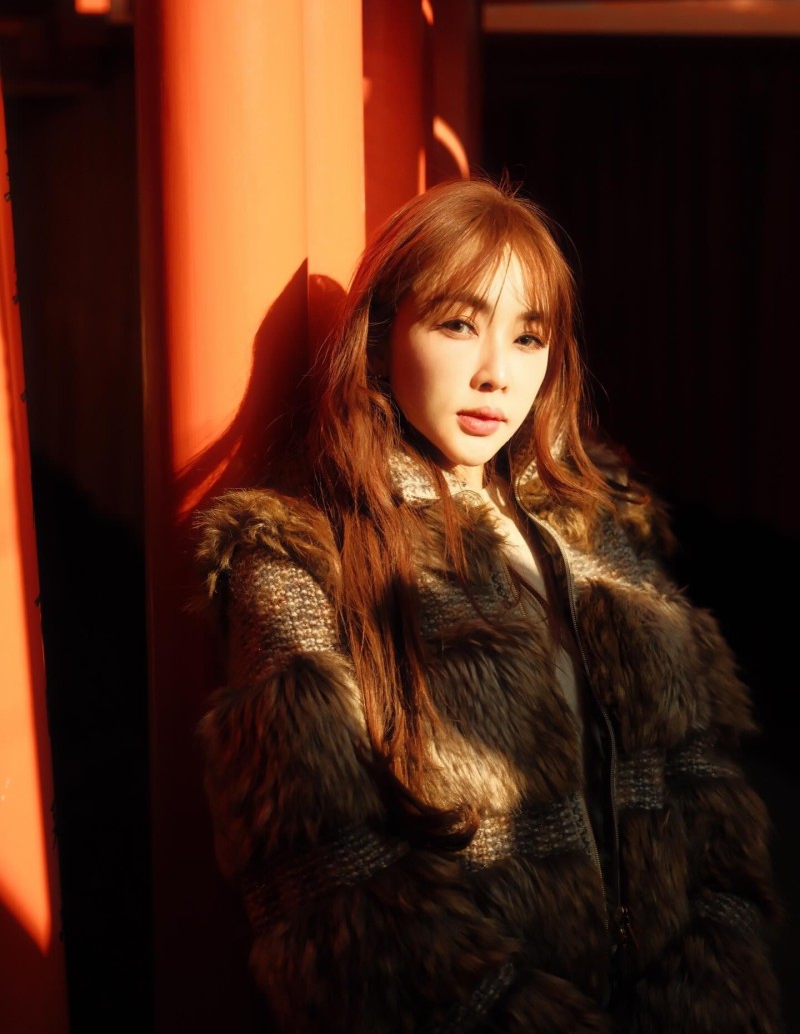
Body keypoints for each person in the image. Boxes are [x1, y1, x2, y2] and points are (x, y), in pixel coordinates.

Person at [194, 177, 783, 1032]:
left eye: (529, 336)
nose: (497, 374)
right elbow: (325, 887)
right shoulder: (299, 559)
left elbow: (704, 780)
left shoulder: (596, 524)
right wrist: (507, 1011)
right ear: (381, 338)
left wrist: (721, 973)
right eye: (458, 324)